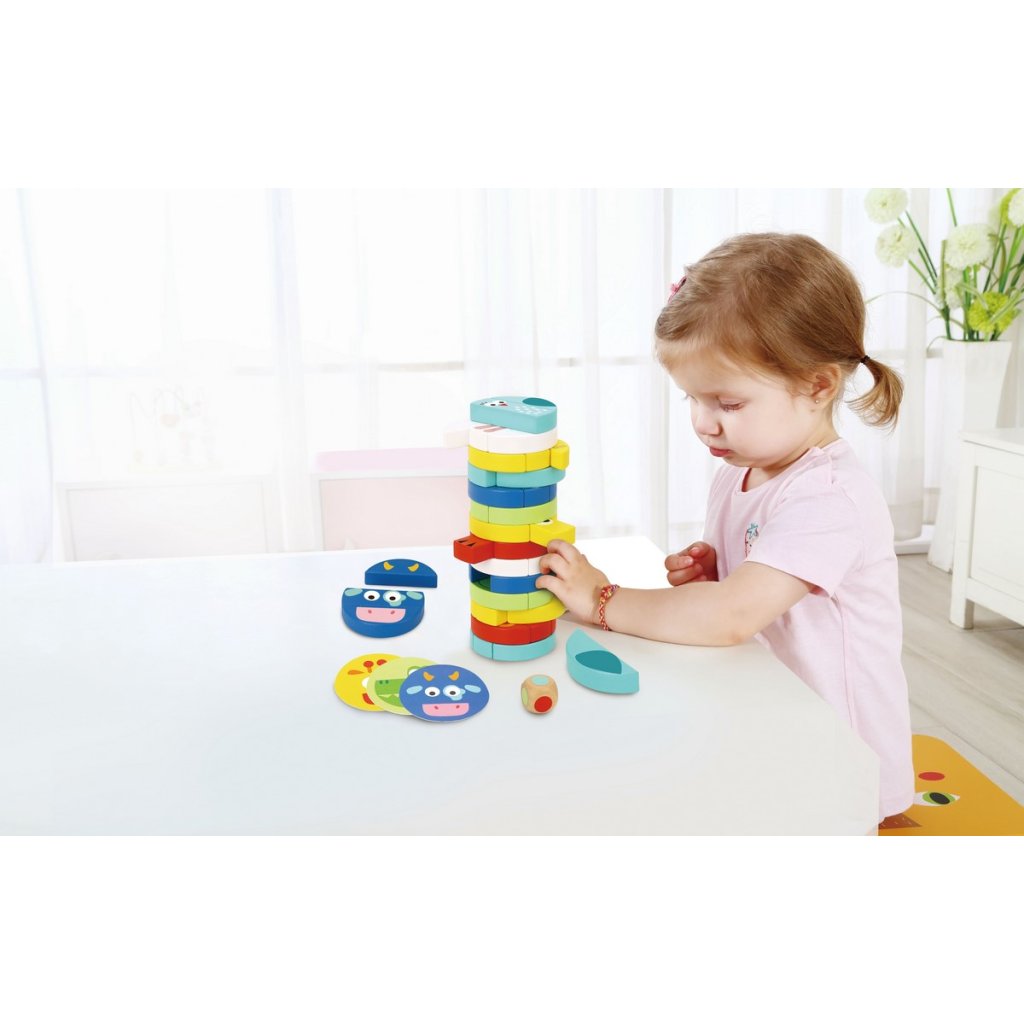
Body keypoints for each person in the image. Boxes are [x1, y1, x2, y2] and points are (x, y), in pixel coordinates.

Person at [536, 232, 914, 825]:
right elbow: (748, 601)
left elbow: (732, 617)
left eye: (728, 404)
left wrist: (601, 599)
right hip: (769, 712)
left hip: (840, 760)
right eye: (691, 398)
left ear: (817, 386)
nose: (703, 424)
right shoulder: (741, 468)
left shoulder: (829, 498)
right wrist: (720, 576)